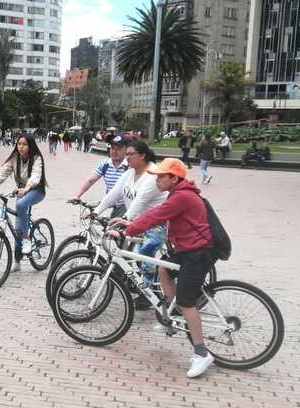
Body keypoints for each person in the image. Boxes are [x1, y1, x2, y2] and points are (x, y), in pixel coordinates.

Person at [114, 158, 218, 378]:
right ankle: (172, 318)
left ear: (174, 178)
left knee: (187, 301)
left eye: (161, 176)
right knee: (163, 269)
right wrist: (130, 224)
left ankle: (201, 353)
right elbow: (156, 214)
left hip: (197, 253)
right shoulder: (178, 193)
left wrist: (127, 232)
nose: (157, 179)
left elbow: (157, 215)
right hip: (186, 249)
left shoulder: (182, 196)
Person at [95, 141, 168, 309]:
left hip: (156, 222)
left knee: (145, 252)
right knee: (122, 247)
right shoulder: (130, 172)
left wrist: (126, 218)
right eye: (126, 154)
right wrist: (96, 212)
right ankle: (127, 278)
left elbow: (140, 201)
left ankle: (147, 294)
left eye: (130, 155)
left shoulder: (152, 175)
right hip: (137, 221)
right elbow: (114, 193)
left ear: (142, 156)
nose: (126, 158)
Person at [0, 134, 48, 273]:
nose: (21, 147)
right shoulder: (14, 158)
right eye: (19, 144)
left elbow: (36, 176)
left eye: (24, 144)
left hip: (36, 191)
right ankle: (17, 262)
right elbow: (2, 173)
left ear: (30, 146)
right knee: (17, 229)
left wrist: (26, 188)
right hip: (22, 192)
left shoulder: (36, 158)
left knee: (20, 205)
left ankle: (27, 239)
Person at [70, 135, 129, 216]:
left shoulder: (130, 166)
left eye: (118, 149)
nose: (114, 151)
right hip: (111, 203)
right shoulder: (105, 164)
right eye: (112, 148)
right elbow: (90, 180)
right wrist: (77, 195)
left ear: (126, 150)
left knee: (114, 227)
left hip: (127, 205)